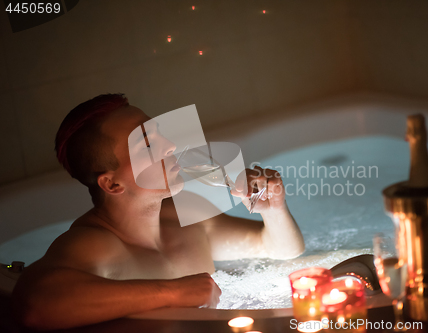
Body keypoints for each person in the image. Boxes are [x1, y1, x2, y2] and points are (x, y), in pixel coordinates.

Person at [11, 94, 305, 330]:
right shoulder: (95, 244)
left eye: (159, 132)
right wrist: (172, 292)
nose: (170, 146)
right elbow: (32, 307)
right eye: (148, 144)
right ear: (112, 183)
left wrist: (274, 210)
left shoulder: (186, 213)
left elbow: (281, 250)